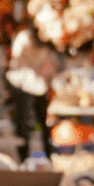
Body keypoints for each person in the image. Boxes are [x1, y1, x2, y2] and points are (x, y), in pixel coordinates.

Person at [6, 17, 59, 162]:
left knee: (44, 122)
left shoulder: (45, 41)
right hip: (23, 85)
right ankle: (23, 157)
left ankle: (48, 155)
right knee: (23, 123)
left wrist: (49, 81)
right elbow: (17, 61)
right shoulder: (24, 39)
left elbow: (48, 64)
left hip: (38, 85)